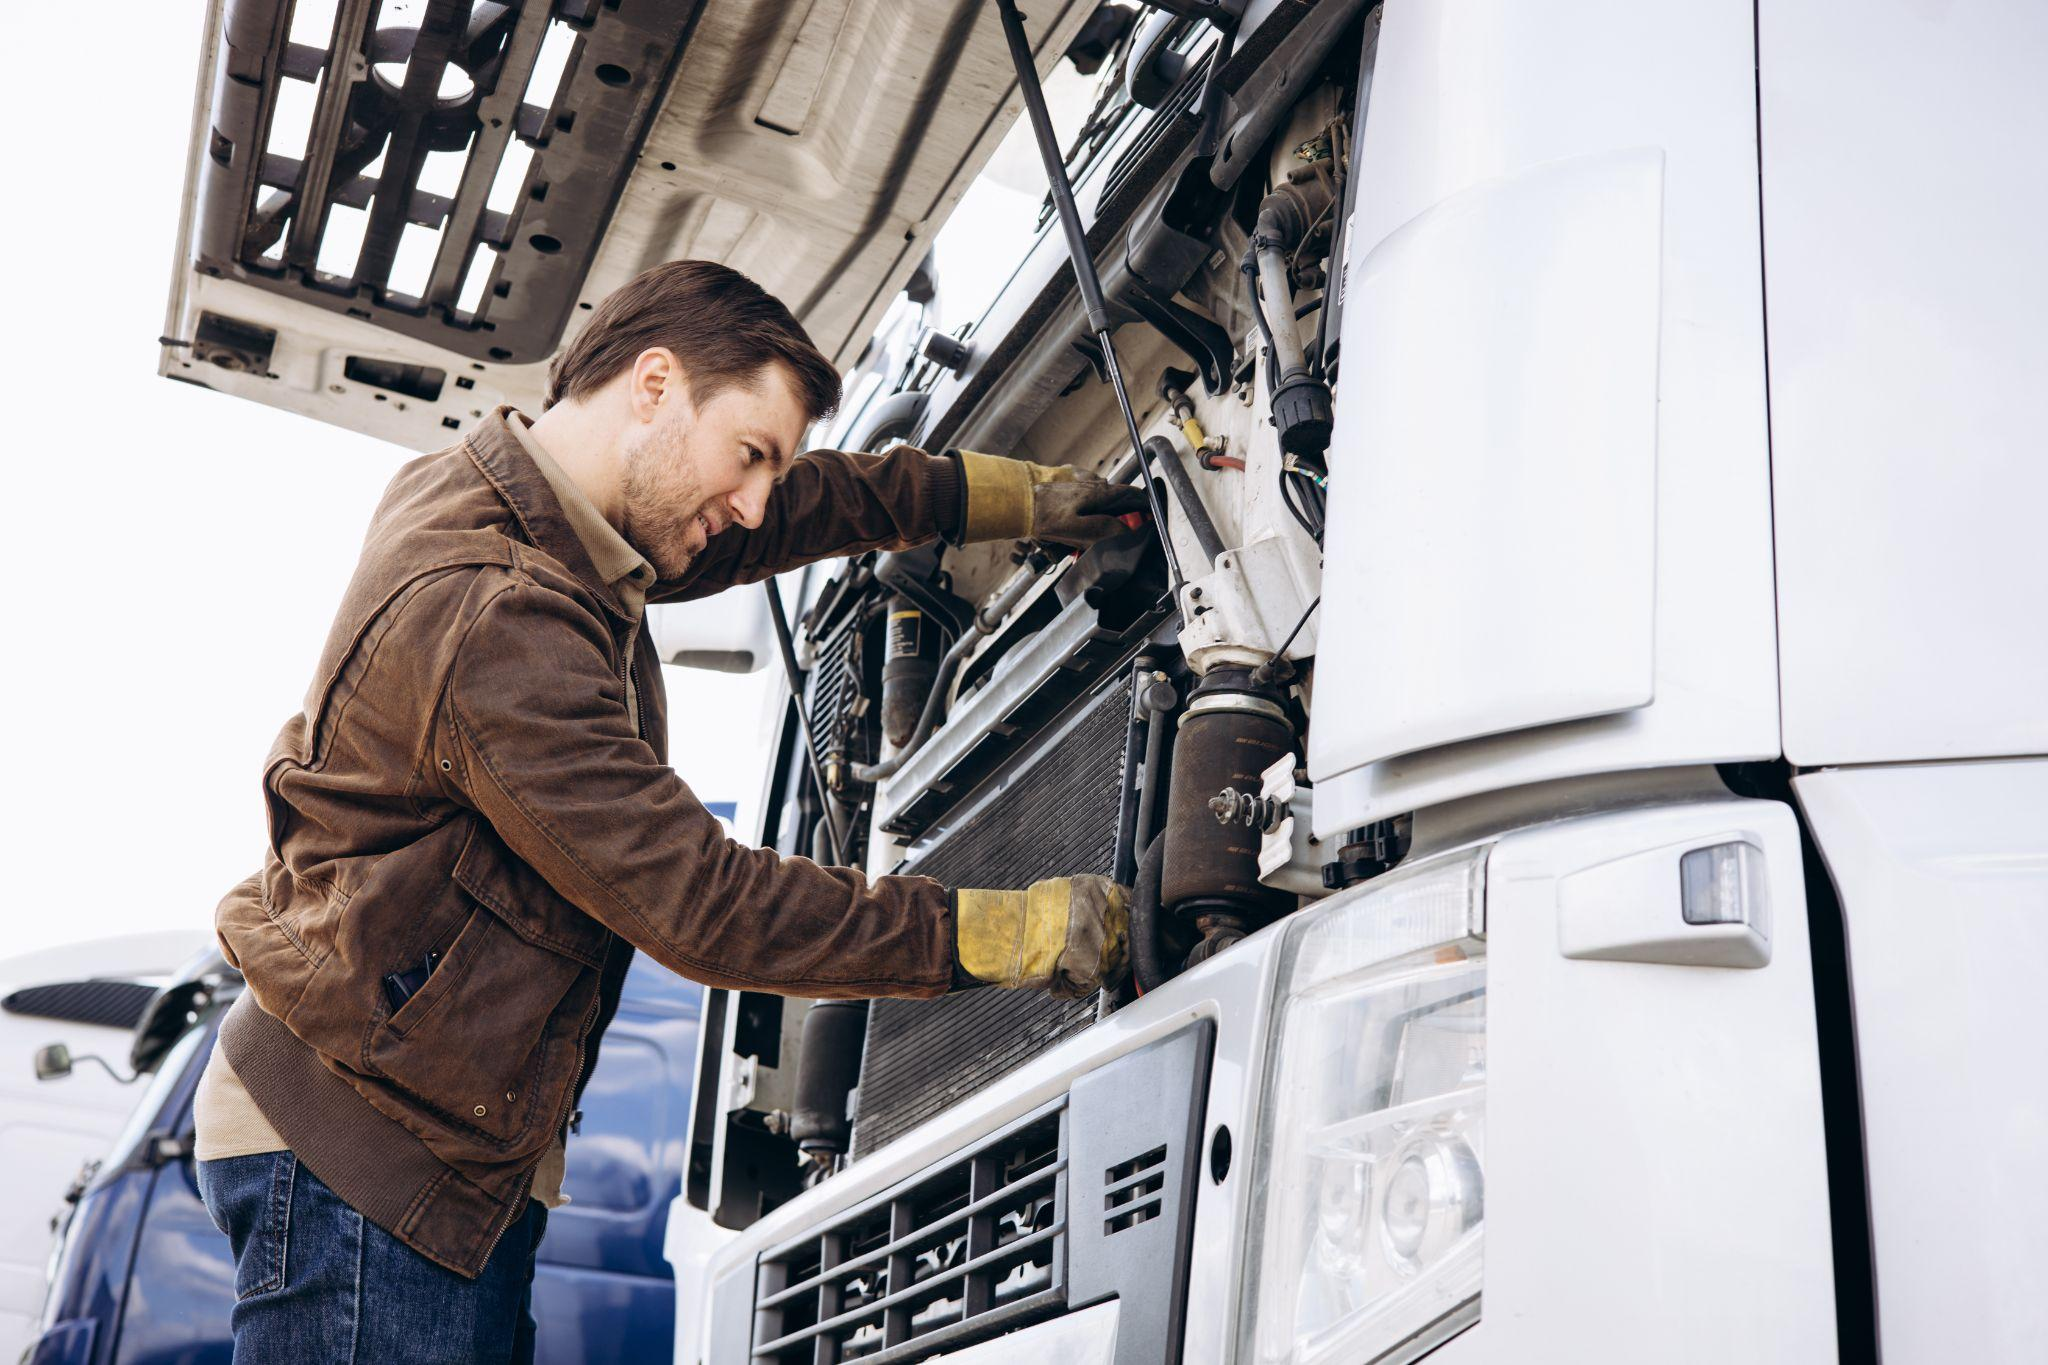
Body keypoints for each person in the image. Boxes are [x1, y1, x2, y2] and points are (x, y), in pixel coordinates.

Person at [191, 260, 1145, 1363]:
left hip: (404, 1139)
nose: (751, 503)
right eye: (748, 456)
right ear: (653, 385)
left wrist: (1005, 499)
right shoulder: (499, 614)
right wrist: (1008, 930)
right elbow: (706, 906)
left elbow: (793, 509)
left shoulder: (523, 498)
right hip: (367, 1152)